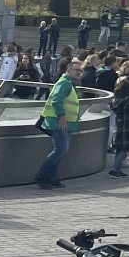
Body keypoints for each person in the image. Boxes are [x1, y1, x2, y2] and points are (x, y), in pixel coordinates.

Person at [34, 59, 83, 189]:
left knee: (60, 151)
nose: (79, 72)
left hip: (62, 123)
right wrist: (62, 116)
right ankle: (42, 177)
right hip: (58, 122)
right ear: (68, 70)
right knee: (60, 150)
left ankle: (51, 177)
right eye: (76, 70)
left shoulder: (69, 83)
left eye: (80, 70)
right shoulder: (65, 83)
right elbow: (56, 101)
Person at [107, 77, 129, 177]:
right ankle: (115, 170)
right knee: (124, 149)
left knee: (119, 149)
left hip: (119, 125)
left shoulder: (115, 99)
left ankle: (117, 169)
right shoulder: (128, 100)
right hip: (128, 126)